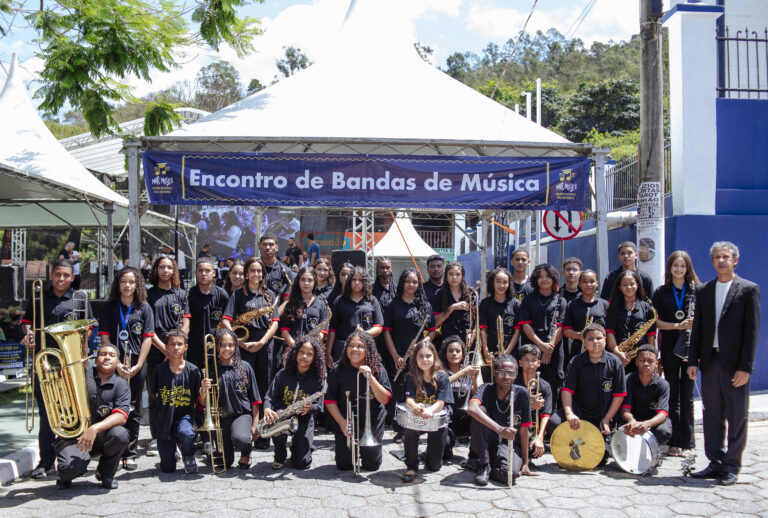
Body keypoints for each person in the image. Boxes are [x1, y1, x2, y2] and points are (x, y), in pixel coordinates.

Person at [687, 241, 760, 486]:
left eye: (726, 257)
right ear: (712, 261)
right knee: (712, 414)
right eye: (717, 257)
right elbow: (697, 330)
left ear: (735, 260)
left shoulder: (748, 290)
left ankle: (731, 466)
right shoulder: (705, 290)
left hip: (735, 364)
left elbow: (752, 332)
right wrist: (692, 361)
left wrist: (746, 368)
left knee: (737, 415)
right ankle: (715, 461)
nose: (721, 261)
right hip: (710, 362)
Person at [22, 259, 93, 479]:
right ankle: (46, 461)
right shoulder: (39, 297)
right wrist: (28, 334)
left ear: (72, 277)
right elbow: (27, 321)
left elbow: (88, 327)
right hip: (45, 365)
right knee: (47, 415)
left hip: (70, 365)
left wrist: (78, 341)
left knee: (76, 412)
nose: (61, 279)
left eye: (66, 275)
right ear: (51, 275)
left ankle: (76, 460)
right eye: (58, 275)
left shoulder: (79, 297)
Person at [98, 267, 155, 471]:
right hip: (113, 366)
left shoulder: (144, 308)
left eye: (131, 282)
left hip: (136, 366)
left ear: (137, 285)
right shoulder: (109, 308)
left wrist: (138, 364)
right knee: (111, 406)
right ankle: (113, 452)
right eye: (124, 282)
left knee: (133, 408)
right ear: (118, 284)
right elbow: (104, 338)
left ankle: (130, 454)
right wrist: (116, 364)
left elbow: (148, 338)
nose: (127, 285)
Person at [222, 257, 279, 450]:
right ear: (247, 273)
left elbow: (275, 323)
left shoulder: (269, 294)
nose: (256, 274)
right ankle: (246, 430)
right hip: (244, 346)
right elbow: (226, 320)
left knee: (264, 388)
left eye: (259, 271)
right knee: (246, 389)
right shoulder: (237, 295)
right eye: (252, 271)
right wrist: (237, 341)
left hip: (265, 345)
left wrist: (262, 341)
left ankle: (263, 434)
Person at [54, 344, 130, 490]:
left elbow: (121, 415)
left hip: (101, 438)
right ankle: (64, 475)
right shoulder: (80, 376)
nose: (107, 357)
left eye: (112, 355)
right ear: (96, 359)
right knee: (72, 468)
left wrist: (94, 429)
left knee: (121, 435)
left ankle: (106, 473)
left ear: (118, 362)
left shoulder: (121, 385)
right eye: (103, 354)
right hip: (75, 437)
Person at [652, 251, 700, 457]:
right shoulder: (661, 292)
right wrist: (677, 325)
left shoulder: (697, 291)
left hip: (691, 346)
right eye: (675, 266)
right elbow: (655, 322)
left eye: (683, 266)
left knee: (688, 395)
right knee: (672, 393)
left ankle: (687, 442)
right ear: (670, 268)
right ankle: (673, 441)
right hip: (671, 345)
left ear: (688, 269)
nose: (679, 270)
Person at [324, 331, 392, 472]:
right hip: (346, 419)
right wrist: (342, 422)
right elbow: (329, 400)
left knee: (372, 465)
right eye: (351, 345)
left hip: (372, 421)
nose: (355, 349)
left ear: (368, 350)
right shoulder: (338, 369)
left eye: (360, 346)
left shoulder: (378, 368)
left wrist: (371, 377)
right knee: (344, 465)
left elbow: (384, 399)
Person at [382, 268, 436, 441]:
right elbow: (387, 332)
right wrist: (395, 356)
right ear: (402, 283)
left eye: (415, 282)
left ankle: (418, 425)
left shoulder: (425, 305)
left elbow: (432, 331)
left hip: (420, 357)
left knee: (417, 389)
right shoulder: (393, 304)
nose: (411, 285)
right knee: (398, 391)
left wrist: (421, 345)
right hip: (398, 356)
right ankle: (400, 428)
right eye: (408, 281)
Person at [561, 323, 626, 462]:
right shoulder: (576, 361)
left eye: (599, 338)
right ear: (584, 341)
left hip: (602, 420)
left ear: (605, 340)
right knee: (555, 423)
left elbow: (619, 395)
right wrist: (569, 413)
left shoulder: (615, 363)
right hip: (579, 418)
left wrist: (607, 419)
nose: (595, 342)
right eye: (590, 339)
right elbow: (567, 390)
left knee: (600, 459)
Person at [262, 335, 326, 470]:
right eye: (302, 352)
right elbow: (269, 396)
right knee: (276, 422)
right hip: (283, 416)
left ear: (315, 358)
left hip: (304, 419)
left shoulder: (318, 380)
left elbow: (319, 407)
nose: (304, 356)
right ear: (295, 352)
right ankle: (279, 455)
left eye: (309, 354)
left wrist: (310, 407)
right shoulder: (283, 374)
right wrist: (267, 409)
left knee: (302, 463)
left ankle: (300, 445)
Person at [467, 354, 533, 485]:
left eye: (511, 373)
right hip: (485, 442)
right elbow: (471, 408)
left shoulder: (522, 393)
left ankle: (480, 465)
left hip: (507, 444)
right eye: (502, 372)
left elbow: (524, 429)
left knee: (510, 475)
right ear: (494, 372)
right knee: (481, 411)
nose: (507, 377)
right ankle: (484, 464)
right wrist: (500, 429)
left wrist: (525, 463)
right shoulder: (485, 388)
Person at [200, 329, 261, 470]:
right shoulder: (210, 368)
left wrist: (255, 425)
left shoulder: (245, 367)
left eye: (231, 345)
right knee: (225, 463)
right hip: (220, 418)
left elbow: (255, 400)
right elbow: (203, 404)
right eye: (223, 345)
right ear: (216, 347)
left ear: (236, 346)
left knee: (242, 439)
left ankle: (246, 452)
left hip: (241, 415)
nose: (227, 349)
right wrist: (203, 390)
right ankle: (217, 452)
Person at [146, 256, 188, 457]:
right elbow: (148, 327)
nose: (165, 270)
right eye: (161, 267)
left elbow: (186, 324)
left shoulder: (181, 294)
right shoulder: (147, 294)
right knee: (156, 396)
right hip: (156, 350)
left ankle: (177, 437)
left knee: (178, 394)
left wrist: (177, 347)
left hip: (178, 350)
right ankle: (157, 437)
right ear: (156, 270)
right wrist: (165, 349)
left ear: (174, 271)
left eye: (169, 267)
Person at [151, 330, 204, 474]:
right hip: (164, 419)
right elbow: (156, 394)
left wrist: (204, 392)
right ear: (166, 347)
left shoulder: (193, 371)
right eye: (172, 344)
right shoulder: (158, 370)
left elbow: (199, 400)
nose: (176, 347)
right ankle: (171, 449)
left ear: (186, 347)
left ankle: (188, 454)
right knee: (168, 468)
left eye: (180, 344)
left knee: (187, 433)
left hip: (184, 416)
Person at [401, 341, 453, 482]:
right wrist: (415, 407)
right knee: (410, 430)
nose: (424, 360)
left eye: (428, 356)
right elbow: (409, 399)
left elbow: (441, 403)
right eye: (420, 356)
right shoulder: (411, 376)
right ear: (415, 358)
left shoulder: (442, 377)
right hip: (419, 416)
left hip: (435, 418)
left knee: (433, 466)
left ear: (434, 357)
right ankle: (411, 465)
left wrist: (430, 410)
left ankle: (437, 447)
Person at [519, 263, 567, 406]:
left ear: (553, 278)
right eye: (540, 277)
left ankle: (549, 414)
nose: (544, 280)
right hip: (533, 347)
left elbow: (560, 326)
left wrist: (549, 349)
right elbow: (525, 324)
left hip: (554, 348)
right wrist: (541, 347)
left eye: (547, 276)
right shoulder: (528, 299)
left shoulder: (561, 300)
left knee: (554, 381)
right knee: (530, 380)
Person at [182, 257, 230, 382]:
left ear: (214, 273)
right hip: (194, 348)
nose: (204, 273)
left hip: (215, 349)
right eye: (201, 270)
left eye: (207, 271)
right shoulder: (189, 294)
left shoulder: (222, 294)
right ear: (196, 273)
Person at [326, 266, 383, 365]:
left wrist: (365, 333)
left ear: (365, 282)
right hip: (342, 348)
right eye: (354, 280)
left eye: (360, 280)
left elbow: (379, 326)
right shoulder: (339, 300)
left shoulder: (372, 300)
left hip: (365, 348)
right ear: (349, 281)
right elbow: (332, 329)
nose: (357, 282)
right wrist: (328, 352)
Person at [619, 344, 672, 447]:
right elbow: (625, 408)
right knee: (623, 430)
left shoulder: (663, 384)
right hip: (633, 420)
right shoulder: (627, 380)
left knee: (664, 431)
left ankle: (651, 449)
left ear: (656, 364)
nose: (646, 364)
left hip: (653, 422)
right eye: (642, 360)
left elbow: (662, 414)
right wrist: (631, 420)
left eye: (650, 361)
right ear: (636, 362)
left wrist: (647, 424)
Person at [605, 270, 657, 373]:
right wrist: (617, 353)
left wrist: (652, 358)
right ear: (619, 287)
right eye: (625, 285)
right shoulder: (613, 308)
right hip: (619, 355)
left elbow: (651, 337)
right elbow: (610, 333)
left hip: (642, 357)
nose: (629, 287)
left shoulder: (647, 308)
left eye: (632, 284)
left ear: (637, 285)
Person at [517, 343, 560, 459]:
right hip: (516, 425)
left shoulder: (545, 386)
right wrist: (529, 404)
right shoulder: (514, 382)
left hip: (532, 429)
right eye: (526, 360)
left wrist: (540, 438)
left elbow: (546, 414)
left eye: (533, 360)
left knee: (533, 451)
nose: (530, 364)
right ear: (520, 363)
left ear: (539, 363)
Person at [279, 266, 330, 364]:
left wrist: (308, 347)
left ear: (315, 282)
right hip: (292, 350)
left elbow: (322, 333)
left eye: (310, 280)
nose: (306, 283)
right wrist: (296, 347)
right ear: (298, 281)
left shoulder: (321, 305)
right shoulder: (290, 303)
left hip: (312, 351)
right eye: (303, 280)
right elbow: (284, 331)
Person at [441, 335, 480, 462]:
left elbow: (478, 393)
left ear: (463, 354)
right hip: (448, 417)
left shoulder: (470, 369)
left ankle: (474, 456)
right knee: (445, 452)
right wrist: (463, 373)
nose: (454, 354)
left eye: (458, 351)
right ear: (445, 354)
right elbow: (442, 384)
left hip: (465, 416)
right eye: (450, 351)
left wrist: (474, 380)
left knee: (482, 416)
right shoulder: (441, 371)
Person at [562, 269, 610, 363]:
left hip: (601, 352)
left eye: (592, 281)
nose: (588, 285)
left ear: (597, 283)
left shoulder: (605, 305)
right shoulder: (572, 304)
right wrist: (579, 335)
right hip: (578, 351)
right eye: (584, 282)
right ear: (579, 284)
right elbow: (566, 330)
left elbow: (610, 331)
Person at [479, 267, 522, 367]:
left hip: (511, 347)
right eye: (498, 282)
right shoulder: (485, 303)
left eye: (505, 282)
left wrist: (506, 352)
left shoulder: (515, 304)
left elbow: (517, 332)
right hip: (490, 347)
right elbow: (482, 329)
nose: (501, 285)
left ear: (509, 284)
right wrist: (486, 351)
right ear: (492, 283)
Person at [434, 261, 473, 350]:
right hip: (447, 341)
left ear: (462, 276)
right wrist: (452, 307)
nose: (454, 277)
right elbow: (436, 322)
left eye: (458, 274)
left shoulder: (471, 293)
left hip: (468, 341)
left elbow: (478, 319)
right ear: (446, 276)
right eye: (451, 274)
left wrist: (473, 334)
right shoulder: (439, 294)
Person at [259, 234, 295, 300]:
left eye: (271, 244)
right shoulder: (253, 270)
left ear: (277, 248)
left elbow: (286, 301)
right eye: (264, 244)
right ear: (259, 247)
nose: (267, 247)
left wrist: (275, 310)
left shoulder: (286, 271)